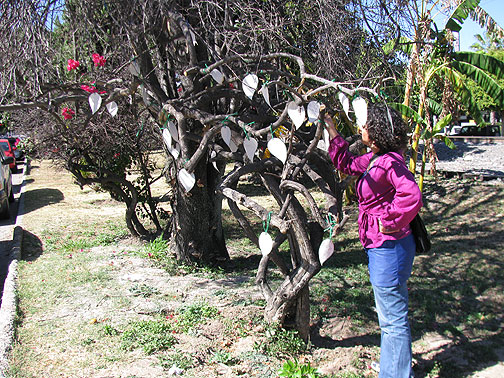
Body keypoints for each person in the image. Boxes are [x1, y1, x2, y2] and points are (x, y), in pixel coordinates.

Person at [323, 103, 422, 378]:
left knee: (393, 318)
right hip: (384, 247)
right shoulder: (376, 158)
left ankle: (397, 374)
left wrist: (386, 221)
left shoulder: (389, 162)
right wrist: (331, 128)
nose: (360, 128)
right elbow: (346, 164)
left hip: (389, 247)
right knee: (390, 315)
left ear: (377, 131)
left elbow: (411, 196)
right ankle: (392, 370)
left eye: (365, 126)